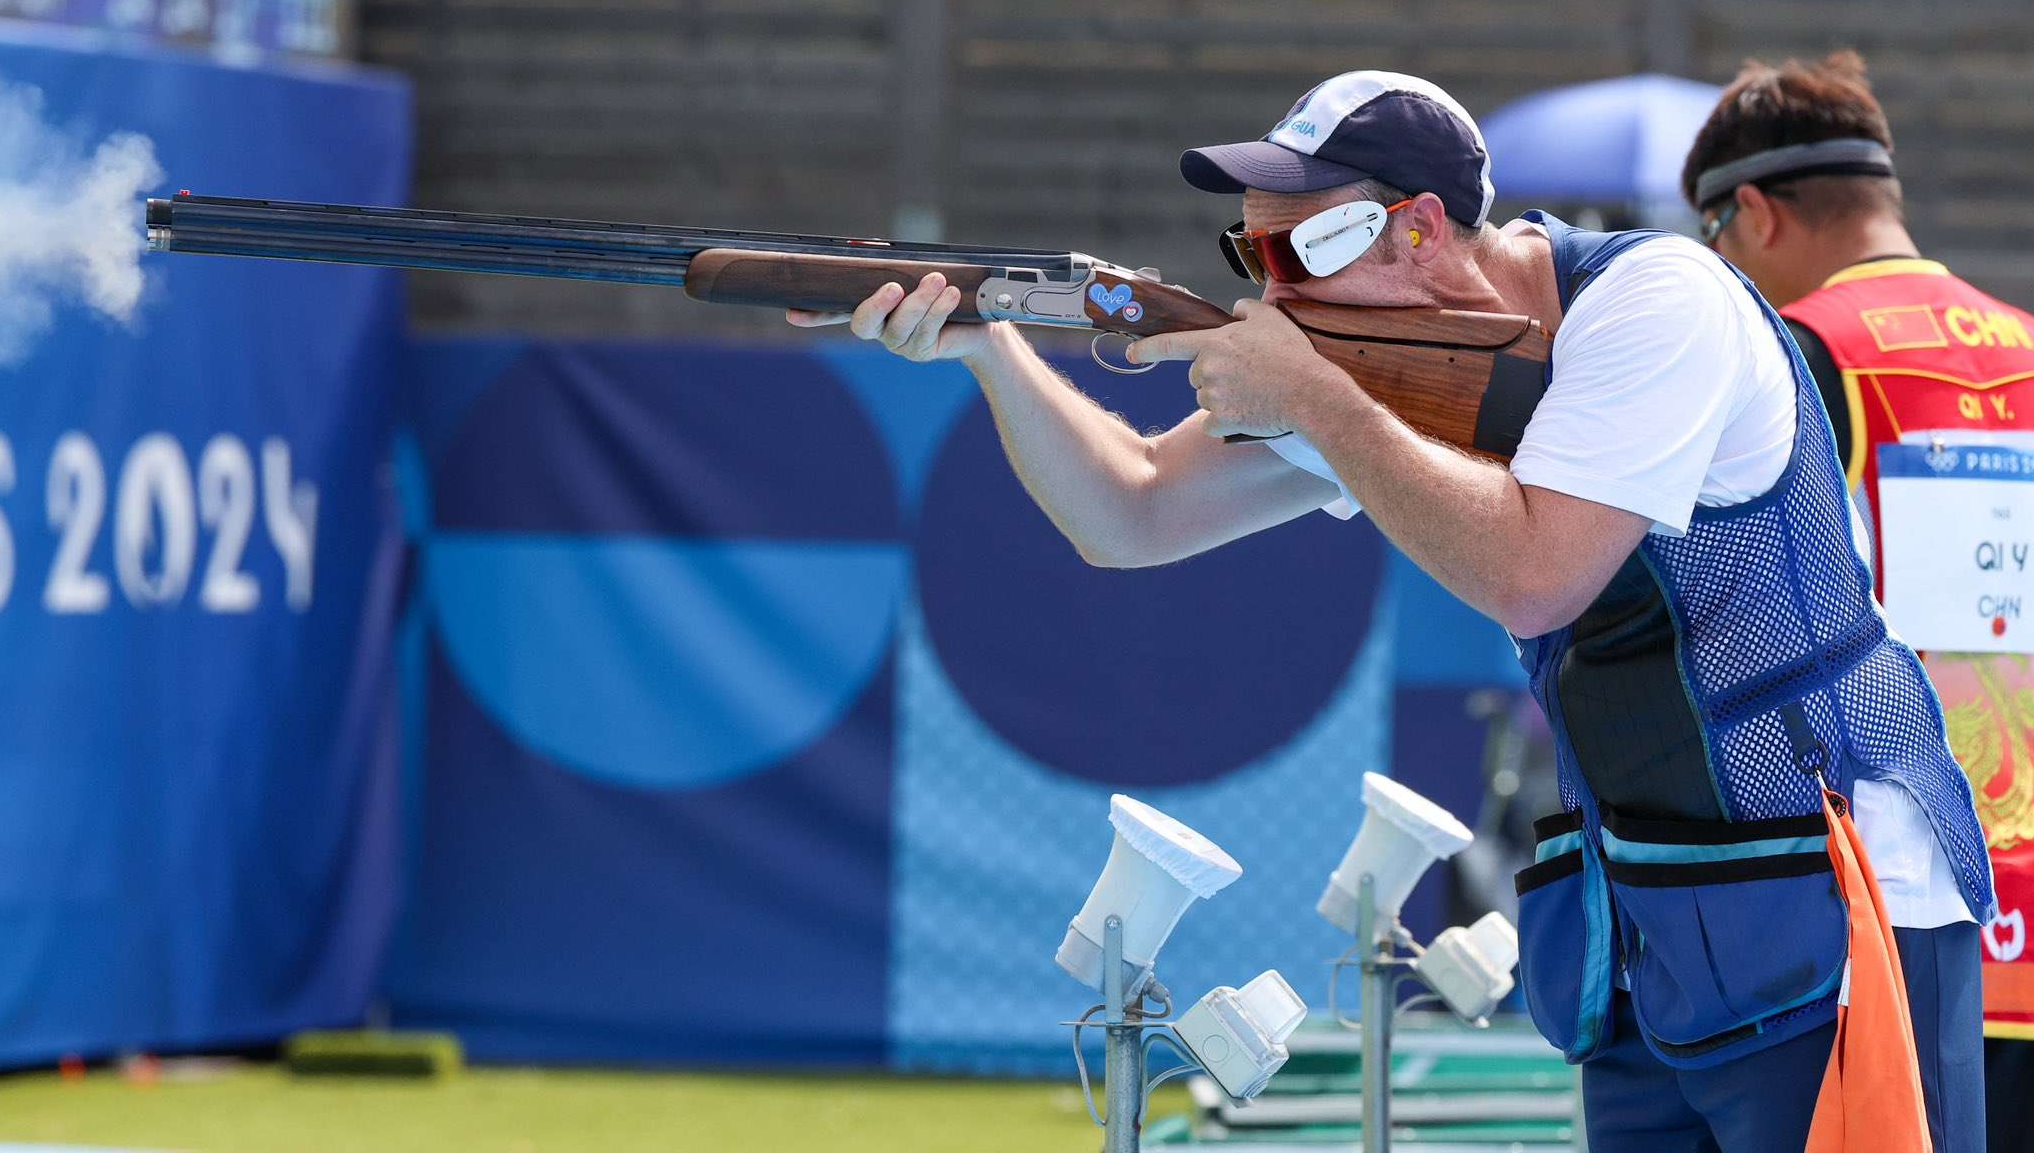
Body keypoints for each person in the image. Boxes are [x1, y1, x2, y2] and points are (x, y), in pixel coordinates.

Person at [790, 70, 1993, 1149]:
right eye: (1245, 255)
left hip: (1837, 895)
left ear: (1418, 229)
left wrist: (1316, 400)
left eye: (1296, 254)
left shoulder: (1658, 299)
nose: (1268, 292)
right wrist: (992, 351)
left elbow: (1536, 572)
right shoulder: (1371, 374)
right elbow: (1132, 515)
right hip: (1649, 923)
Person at [1685, 51, 2028, 1153]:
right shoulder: (2025, 345)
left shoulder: (1791, 355)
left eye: (1712, 237)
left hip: (1910, 923)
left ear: (1751, 212)